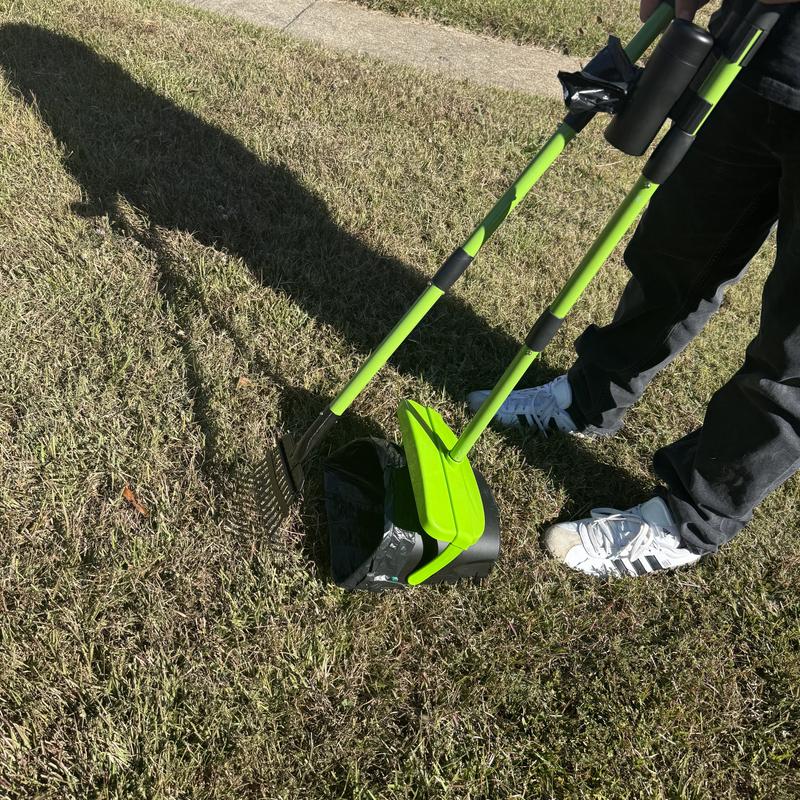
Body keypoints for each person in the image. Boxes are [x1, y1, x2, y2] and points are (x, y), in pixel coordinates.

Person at [468, 0, 800, 578]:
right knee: (670, 259)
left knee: (795, 349)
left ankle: (694, 517)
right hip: (751, 55)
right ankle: (590, 397)